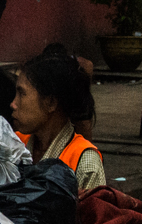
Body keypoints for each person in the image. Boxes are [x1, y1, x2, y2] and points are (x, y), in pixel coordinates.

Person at [11, 45, 106, 190]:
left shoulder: (85, 162)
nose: (13, 104)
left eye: (22, 94)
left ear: (50, 103)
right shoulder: (13, 146)